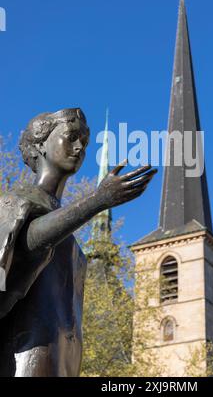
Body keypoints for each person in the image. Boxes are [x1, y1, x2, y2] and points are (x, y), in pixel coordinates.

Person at [0, 108, 156, 376]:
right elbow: (27, 244)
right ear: (41, 145)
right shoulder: (14, 203)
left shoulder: (73, 248)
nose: (79, 147)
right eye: (71, 137)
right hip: (24, 361)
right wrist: (97, 201)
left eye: (84, 142)